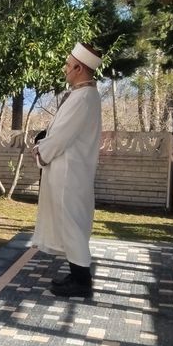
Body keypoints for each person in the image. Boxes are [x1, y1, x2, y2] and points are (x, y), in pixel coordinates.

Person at [31, 42, 103, 298]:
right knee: (69, 223)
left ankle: (82, 283)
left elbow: (63, 136)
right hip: (67, 169)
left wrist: (41, 150)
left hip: (70, 172)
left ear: (78, 67)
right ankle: (77, 274)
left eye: (67, 63)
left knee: (72, 223)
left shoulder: (84, 97)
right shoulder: (82, 94)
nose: (64, 68)